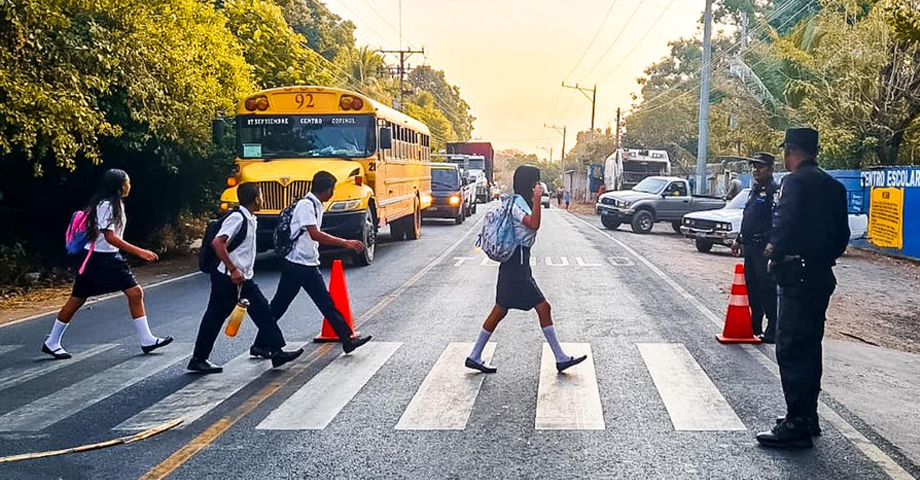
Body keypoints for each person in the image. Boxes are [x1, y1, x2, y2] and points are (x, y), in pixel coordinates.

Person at [755, 127, 850, 449]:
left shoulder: (794, 182)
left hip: (796, 276)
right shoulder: (834, 186)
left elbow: (784, 225)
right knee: (810, 348)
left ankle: (796, 423)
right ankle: (808, 416)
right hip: (820, 275)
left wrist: (774, 253)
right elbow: (842, 236)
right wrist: (821, 257)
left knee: (790, 348)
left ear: (789, 151)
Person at [465, 165, 587, 374]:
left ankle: (475, 355)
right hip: (517, 265)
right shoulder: (517, 205)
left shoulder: (521, 202)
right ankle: (560, 357)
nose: (538, 185)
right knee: (542, 307)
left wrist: (536, 200)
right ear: (529, 183)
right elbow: (534, 224)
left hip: (517, 263)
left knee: (500, 309)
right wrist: (538, 199)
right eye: (536, 182)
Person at [43, 169, 173, 359]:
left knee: (134, 293)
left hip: (109, 258)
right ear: (119, 186)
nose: (129, 186)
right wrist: (139, 251)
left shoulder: (115, 204)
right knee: (77, 299)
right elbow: (109, 236)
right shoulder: (106, 205)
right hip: (97, 259)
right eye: (127, 182)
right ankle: (52, 341)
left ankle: (146, 339)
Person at [188, 183, 303, 373]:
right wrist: (233, 269)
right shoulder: (237, 218)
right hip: (227, 278)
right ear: (256, 199)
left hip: (243, 279)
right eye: (261, 195)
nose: (263, 199)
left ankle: (276, 351)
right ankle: (198, 359)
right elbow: (218, 242)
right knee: (215, 317)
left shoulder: (250, 218)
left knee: (263, 312)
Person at [261, 171, 372, 357]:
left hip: (305, 262)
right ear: (328, 190)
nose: (333, 193)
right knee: (291, 305)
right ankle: (347, 339)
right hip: (298, 263)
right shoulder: (306, 205)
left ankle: (347, 339)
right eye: (332, 189)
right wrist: (345, 243)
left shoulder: (315, 204)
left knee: (315, 303)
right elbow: (315, 234)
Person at [731, 153, 779, 343]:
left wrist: (772, 243)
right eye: (754, 166)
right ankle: (755, 325)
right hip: (750, 247)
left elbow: (777, 220)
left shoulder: (774, 191)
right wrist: (738, 239)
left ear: (770, 169)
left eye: (760, 167)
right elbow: (749, 217)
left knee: (767, 288)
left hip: (763, 248)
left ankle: (772, 327)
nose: (756, 170)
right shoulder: (754, 190)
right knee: (752, 287)